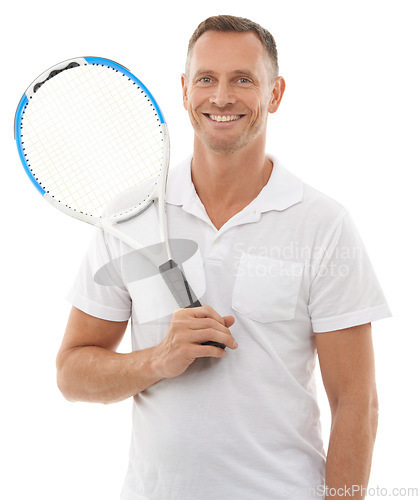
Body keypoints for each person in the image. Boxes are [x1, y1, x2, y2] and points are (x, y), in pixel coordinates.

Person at [56, 15, 391, 500]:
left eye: (243, 80)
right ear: (185, 89)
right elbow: (71, 374)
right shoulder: (128, 217)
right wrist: (158, 360)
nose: (221, 97)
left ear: (274, 94)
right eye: (206, 79)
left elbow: (356, 402)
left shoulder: (322, 224)